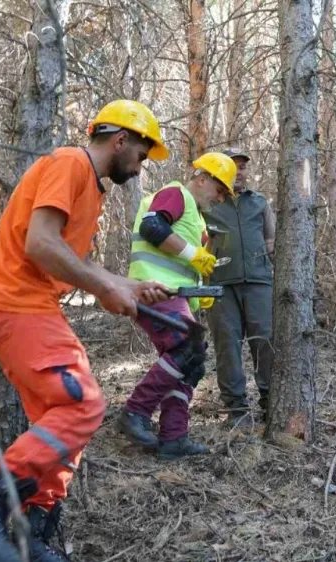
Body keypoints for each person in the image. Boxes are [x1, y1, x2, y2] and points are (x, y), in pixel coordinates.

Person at [0, 99, 171, 562]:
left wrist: (129, 285)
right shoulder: (69, 163)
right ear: (120, 140)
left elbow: (75, 259)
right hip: (14, 304)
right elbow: (40, 244)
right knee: (83, 407)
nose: (140, 167)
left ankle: (31, 532)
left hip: (30, 306)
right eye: (141, 154)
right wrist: (104, 287)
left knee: (61, 424)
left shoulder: (90, 188)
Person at [116, 151, 236, 460]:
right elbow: (153, 228)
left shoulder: (195, 217)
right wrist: (193, 256)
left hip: (173, 296)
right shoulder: (175, 193)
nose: (220, 199)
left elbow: (180, 260)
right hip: (153, 291)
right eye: (219, 190)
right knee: (187, 351)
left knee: (191, 364)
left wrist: (199, 290)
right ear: (202, 179)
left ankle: (174, 437)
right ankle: (135, 412)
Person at [200, 148, 276, 426]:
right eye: (234, 166)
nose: (240, 172)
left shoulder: (259, 203)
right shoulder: (209, 202)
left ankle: (271, 402)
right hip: (220, 285)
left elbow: (272, 241)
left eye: (243, 167)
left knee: (265, 341)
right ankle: (236, 411)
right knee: (227, 345)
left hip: (259, 282)